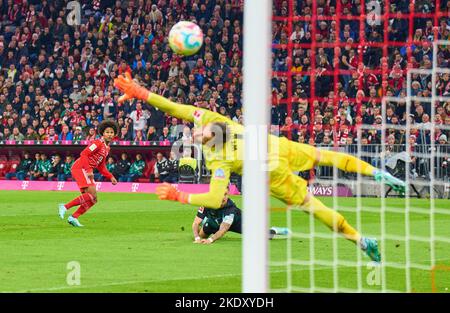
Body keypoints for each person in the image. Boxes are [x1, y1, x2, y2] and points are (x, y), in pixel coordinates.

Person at [114, 73, 407, 262]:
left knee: (313, 204)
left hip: (269, 171)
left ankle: (362, 230)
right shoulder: (215, 121)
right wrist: (140, 93)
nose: (195, 132)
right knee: (324, 156)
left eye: (200, 134)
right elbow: (173, 108)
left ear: (211, 138)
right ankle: (375, 179)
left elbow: (216, 200)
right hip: (275, 146)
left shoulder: (219, 159)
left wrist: (180, 196)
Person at [58, 120, 119, 227]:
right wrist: (89, 170)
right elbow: (84, 153)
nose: (110, 134)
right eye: (107, 132)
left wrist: (110, 176)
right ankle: (65, 206)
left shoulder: (107, 148)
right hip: (80, 168)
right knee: (91, 195)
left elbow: (101, 166)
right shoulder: (97, 143)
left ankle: (73, 217)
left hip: (85, 170)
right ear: (103, 133)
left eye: (112, 132)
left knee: (93, 199)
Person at [192, 191, 289, 244]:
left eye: (226, 194)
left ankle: (274, 230)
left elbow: (223, 230)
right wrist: (197, 238)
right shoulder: (206, 202)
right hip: (215, 221)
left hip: (236, 223)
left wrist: (211, 240)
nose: (224, 197)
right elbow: (195, 223)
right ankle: (206, 222)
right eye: (221, 194)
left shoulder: (230, 209)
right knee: (201, 236)